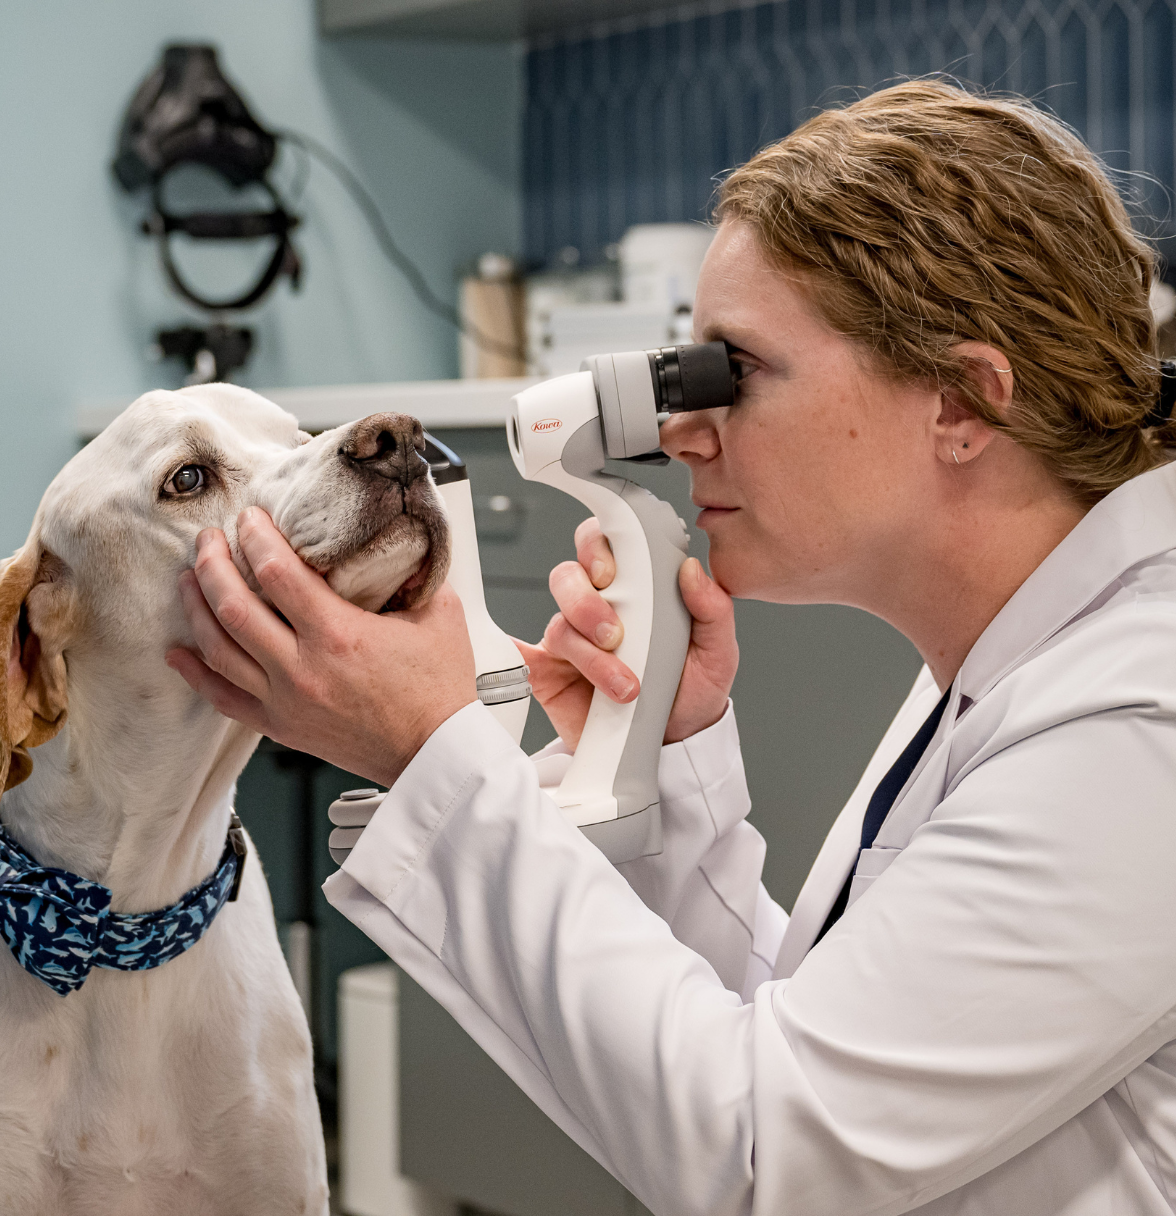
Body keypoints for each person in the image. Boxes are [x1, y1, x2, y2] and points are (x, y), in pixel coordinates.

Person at [167, 80, 1176, 1216]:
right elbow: (834, 1045)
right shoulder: (1023, 654)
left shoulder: (1143, 717)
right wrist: (672, 763)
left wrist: (433, 748)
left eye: (733, 374)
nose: (683, 429)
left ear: (964, 403)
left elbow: (771, 1153)